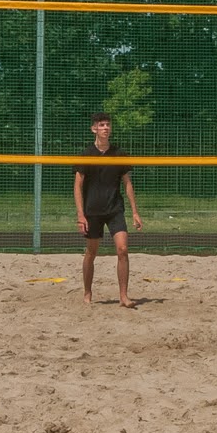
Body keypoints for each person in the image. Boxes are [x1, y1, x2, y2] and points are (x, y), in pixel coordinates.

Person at [74, 111, 143, 307]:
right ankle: (87, 292)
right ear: (94, 129)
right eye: (101, 125)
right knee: (91, 252)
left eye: (108, 125)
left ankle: (123, 296)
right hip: (92, 210)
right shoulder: (86, 154)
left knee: (122, 249)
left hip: (114, 209)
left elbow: (127, 183)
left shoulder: (119, 154)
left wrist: (135, 212)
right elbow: (77, 186)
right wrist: (80, 215)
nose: (105, 128)